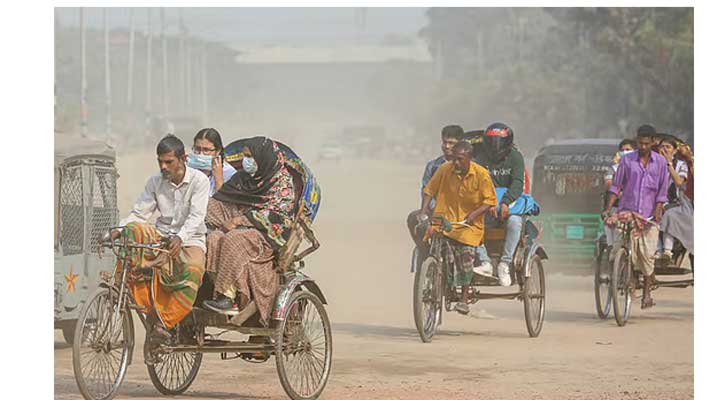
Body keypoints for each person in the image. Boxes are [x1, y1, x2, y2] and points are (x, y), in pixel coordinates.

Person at [108, 134, 209, 340]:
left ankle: (164, 322)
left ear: (183, 159)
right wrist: (118, 229)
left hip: (191, 239)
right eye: (160, 162)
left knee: (193, 270)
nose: (163, 166)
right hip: (162, 235)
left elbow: (196, 217)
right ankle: (124, 289)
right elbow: (140, 213)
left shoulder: (199, 181)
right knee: (133, 230)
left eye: (168, 162)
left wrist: (180, 238)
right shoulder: (155, 181)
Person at [202, 137, 296, 327]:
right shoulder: (243, 179)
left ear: (263, 158)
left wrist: (241, 221)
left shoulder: (282, 184)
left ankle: (230, 298)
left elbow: (278, 216)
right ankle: (215, 290)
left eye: (250, 156)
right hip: (239, 226)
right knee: (212, 238)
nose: (246, 161)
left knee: (233, 239)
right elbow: (224, 200)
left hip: (266, 235)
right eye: (244, 156)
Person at [419, 141, 497, 315]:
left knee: (465, 255)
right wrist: (423, 212)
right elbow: (429, 190)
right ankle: (431, 272)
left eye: (459, 159)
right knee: (430, 237)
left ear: (469, 158)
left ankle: (463, 298)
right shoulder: (445, 169)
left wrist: (473, 215)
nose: (455, 163)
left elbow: (490, 201)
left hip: (468, 224)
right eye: (453, 159)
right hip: (443, 218)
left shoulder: (481, 174)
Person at [602, 124, 669, 309]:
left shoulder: (661, 163)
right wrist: (608, 208)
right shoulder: (627, 161)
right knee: (618, 249)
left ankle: (647, 294)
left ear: (653, 142)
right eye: (641, 143)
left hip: (648, 215)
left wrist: (658, 209)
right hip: (627, 212)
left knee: (647, 256)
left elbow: (662, 192)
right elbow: (616, 187)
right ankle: (622, 277)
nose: (644, 147)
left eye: (647, 143)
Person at [470, 122, 524, 286]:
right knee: (471, 223)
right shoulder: (480, 160)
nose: (495, 148)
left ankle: (505, 264)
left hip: (510, 207)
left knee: (515, 223)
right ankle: (485, 262)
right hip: (487, 207)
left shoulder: (515, 157)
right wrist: (489, 203)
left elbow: (517, 183)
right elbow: (477, 183)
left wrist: (506, 203)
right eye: (492, 144)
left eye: (499, 144)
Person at [406, 125, 464, 246]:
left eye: (451, 143)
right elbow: (426, 190)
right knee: (414, 218)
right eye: (444, 142)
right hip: (436, 213)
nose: (447, 146)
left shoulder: (470, 166)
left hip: (461, 214)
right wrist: (433, 208)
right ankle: (424, 252)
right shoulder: (432, 166)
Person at [658, 139, 694, 263]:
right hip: (655, 201)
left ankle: (667, 251)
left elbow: (679, 182)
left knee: (669, 214)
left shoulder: (681, 165)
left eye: (667, 147)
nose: (664, 149)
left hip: (677, 202)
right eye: (662, 147)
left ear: (674, 150)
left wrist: (669, 164)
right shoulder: (653, 163)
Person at [603, 139, 637, 249]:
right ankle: (611, 248)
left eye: (628, 150)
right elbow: (609, 185)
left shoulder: (639, 167)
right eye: (622, 150)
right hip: (617, 206)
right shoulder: (613, 168)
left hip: (636, 207)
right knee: (612, 226)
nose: (625, 152)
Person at [187, 128, 238, 196]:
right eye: (197, 149)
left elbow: (224, 203)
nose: (201, 154)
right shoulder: (189, 167)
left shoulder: (229, 172)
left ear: (217, 151)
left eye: (206, 150)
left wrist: (218, 178)